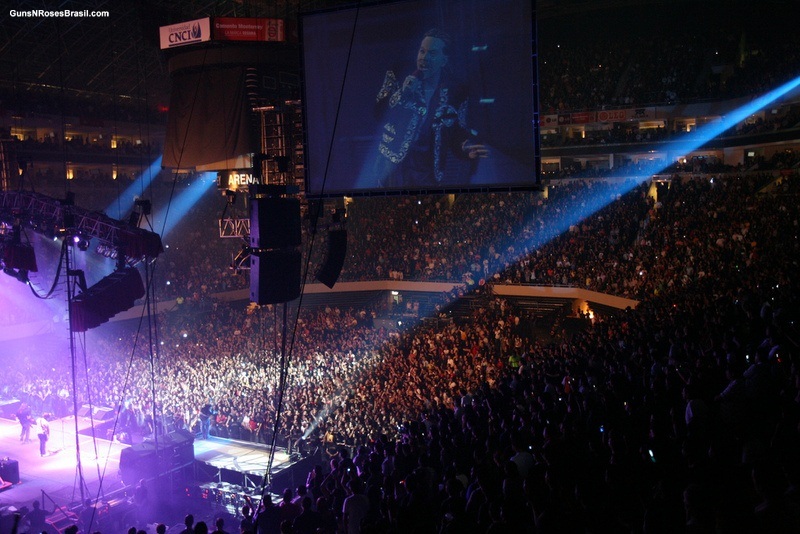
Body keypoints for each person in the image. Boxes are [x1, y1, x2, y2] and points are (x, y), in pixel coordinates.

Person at [373, 28, 487, 188]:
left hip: (427, 168)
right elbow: (379, 112)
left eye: (432, 53)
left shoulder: (456, 91)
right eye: (422, 51)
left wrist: (466, 147)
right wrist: (403, 93)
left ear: (444, 60)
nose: (424, 58)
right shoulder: (398, 73)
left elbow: (457, 130)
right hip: (391, 164)